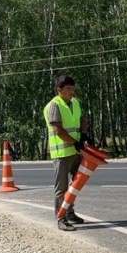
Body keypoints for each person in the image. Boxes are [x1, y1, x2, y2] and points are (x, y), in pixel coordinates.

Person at [44, 75, 90, 231]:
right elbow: (58, 129)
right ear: (59, 90)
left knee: (74, 185)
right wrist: (74, 142)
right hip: (61, 153)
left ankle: (70, 212)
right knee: (61, 188)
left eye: (73, 88)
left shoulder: (75, 103)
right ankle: (61, 218)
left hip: (76, 151)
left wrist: (83, 135)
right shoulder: (54, 105)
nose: (72, 91)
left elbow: (82, 120)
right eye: (68, 89)